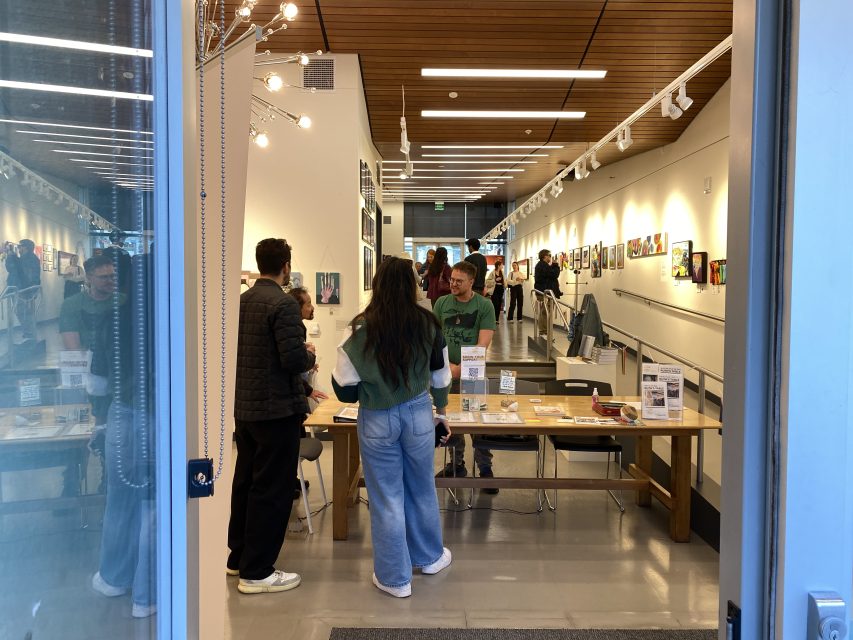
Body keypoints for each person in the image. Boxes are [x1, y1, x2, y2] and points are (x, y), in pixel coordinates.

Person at [332, 257, 453, 598]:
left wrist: (369, 388)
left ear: (378, 284)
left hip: (377, 416)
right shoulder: (428, 323)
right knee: (421, 486)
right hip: (418, 414)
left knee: (386, 497)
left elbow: (343, 387)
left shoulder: (358, 328)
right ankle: (429, 557)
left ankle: (394, 578)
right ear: (413, 285)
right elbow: (440, 377)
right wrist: (441, 411)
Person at [227, 238, 315, 594]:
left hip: (245, 409)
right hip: (276, 409)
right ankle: (258, 571)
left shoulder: (242, 301)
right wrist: (309, 357)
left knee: (245, 482)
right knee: (272, 490)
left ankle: (237, 558)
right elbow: (292, 360)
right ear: (286, 266)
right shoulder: (282, 304)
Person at [89, 250, 156, 618]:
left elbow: (98, 380)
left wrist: (99, 418)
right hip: (161, 417)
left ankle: (115, 577)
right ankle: (147, 596)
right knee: (154, 506)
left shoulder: (115, 317)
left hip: (123, 414)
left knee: (120, 501)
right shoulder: (172, 314)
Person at [432, 261, 498, 492]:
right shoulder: (441, 303)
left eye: (459, 281)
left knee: (478, 421)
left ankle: (485, 469)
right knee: (451, 420)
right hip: (445, 370)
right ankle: (456, 463)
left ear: (472, 282)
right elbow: (434, 338)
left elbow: (483, 344)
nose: (453, 284)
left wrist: (460, 368)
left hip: (472, 370)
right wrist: (447, 365)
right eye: (452, 279)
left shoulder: (484, 306)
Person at [6, 239, 41, 340]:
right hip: (23, 289)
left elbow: (12, 268)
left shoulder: (27, 259)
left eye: (20, 246)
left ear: (25, 247)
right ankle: (29, 333)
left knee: (23, 312)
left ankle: (29, 334)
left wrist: (10, 255)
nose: (19, 248)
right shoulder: (30, 258)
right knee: (24, 312)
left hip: (21, 290)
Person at [533, 249, 561, 337]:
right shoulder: (542, 265)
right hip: (544, 292)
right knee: (545, 311)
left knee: (545, 311)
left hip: (544, 292)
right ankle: (543, 331)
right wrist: (556, 265)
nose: (550, 257)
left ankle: (544, 331)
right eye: (549, 255)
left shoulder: (543, 265)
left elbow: (550, 274)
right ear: (545, 256)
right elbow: (554, 274)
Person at [484, 260, 506, 325]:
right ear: (498, 265)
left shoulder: (502, 272)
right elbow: (487, 281)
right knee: (495, 304)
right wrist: (495, 280)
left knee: (499, 304)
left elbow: (504, 281)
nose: (502, 266)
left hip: (500, 289)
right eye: (501, 265)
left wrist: (505, 284)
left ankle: (497, 319)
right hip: (495, 289)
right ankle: (493, 319)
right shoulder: (492, 273)